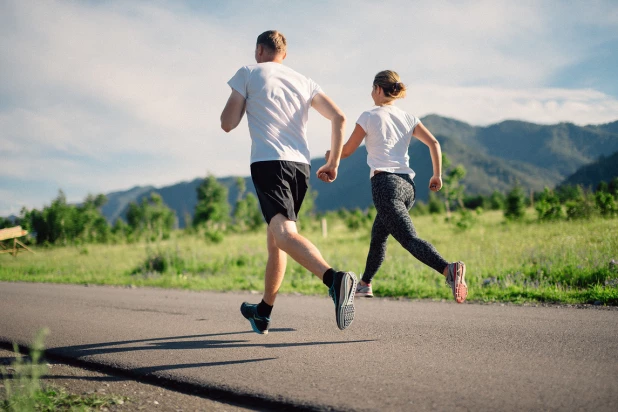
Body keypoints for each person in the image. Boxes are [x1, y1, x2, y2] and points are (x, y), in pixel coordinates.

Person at [220, 30, 358, 335]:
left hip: (269, 163)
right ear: (284, 55)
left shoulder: (248, 72)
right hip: (300, 167)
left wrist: (241, 98)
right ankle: (263, 312)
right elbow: (338, 117)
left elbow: (228, 124)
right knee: (276, 241)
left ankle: (334, 280)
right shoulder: (303, 81)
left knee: (282, 234)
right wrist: (334, 162)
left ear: (260, 50)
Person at [325, 70, 467, 303]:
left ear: (379, 89)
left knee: (408, 239)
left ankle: (448, 270)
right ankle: (364, 283)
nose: (371, 94)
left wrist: (332, 155)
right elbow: (433, 142)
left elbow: (348, 151)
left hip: (385, 185)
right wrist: (437, 175)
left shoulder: (369, 115)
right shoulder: (409, 118)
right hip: (407, 187)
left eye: (372, 89)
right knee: (379, 236)